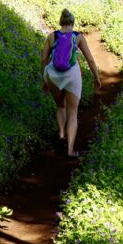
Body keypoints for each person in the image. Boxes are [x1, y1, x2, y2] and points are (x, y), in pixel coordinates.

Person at [41, 9, 101, 157]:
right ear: (73, 23)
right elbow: (90, 59)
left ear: (60, 22)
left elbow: (43, 61)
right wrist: (96, 77)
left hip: (53, 76)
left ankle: (61, 134)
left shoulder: (51, 37)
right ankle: (69, 150)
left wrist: (45, 79)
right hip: (72, 75)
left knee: (60, 106)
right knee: (72, 112)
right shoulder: (78, 37)